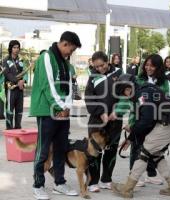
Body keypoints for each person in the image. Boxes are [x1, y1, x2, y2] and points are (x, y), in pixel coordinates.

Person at [111, 74, 170, 198]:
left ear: (128, 89)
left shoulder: (142, 96)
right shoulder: (146, 89)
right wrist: (133, 131)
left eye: (124, 94)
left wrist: (131, 138)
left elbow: (146, 121)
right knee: (156, 155)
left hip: (168, 125)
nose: (126, 97)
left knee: (144, 153)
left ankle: (127, 189)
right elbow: (147, 118)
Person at [30, 31, 81, 199]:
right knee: (43, 150)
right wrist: (59, 106)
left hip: (62, 112)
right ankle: (38, 184)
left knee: (61, 148)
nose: (71, 53)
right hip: (47, 110)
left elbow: (68, 88)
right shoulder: (46, 57)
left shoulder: (66, 64)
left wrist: (67, 107)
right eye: (71, 50)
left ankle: (59, 183)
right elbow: (47, 85)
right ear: (64, 44)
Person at [130, 54, 170, 186]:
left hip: (157, 121)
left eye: (152, 65)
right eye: (146, 65)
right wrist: (132, 121)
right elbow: (133, 102)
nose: (148, 68)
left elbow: (168, 100)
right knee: (137, 147)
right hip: (141, 118)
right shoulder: (138, 80)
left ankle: (151, 174)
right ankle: (133, 176)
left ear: (158, 67)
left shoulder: (165, 82)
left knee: (153, 148)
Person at [84, 51, 122, 192]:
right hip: (96, 120)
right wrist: (101, 112)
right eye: (96, 66)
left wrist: (117, 110)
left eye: (102, 65)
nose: (99, 69)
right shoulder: (93, 77)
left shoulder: (119, 74)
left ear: (108, 61)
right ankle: (92, 181)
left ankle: (106, 179)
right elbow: (89, 98)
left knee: (111, 151)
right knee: (94, 151)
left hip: (115, 121)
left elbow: (125, 96)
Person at [3, 40, 26, 129]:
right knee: (10, 109)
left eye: (18, 47)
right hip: (10, 89)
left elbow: (25, 73)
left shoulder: (21, 60)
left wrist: (23, 81)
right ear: (11, 48)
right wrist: (18, 81)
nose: (16, 49)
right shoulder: (6, 60)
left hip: (20, 89)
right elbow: (7, 74)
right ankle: (9, 129)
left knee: (19, 110)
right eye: (14, 47)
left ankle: (18, 127)